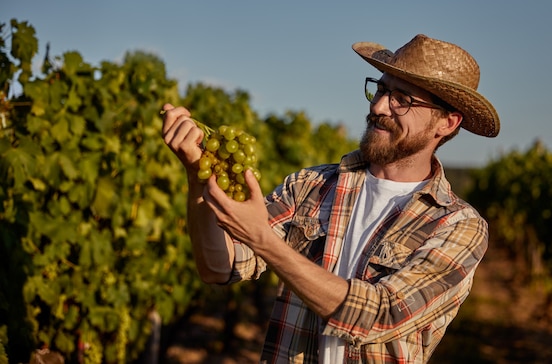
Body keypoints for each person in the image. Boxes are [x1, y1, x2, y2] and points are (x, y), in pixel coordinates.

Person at [161, 33, 500, 363]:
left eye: (402, 99)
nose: (379, 105)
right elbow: (220, 267)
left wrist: (263, 240)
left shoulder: (459, 225)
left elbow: (381, 315)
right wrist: (198, 175)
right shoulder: (311, 184)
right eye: (380, 89)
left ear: (447, 123)